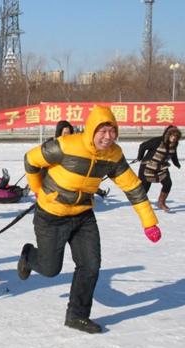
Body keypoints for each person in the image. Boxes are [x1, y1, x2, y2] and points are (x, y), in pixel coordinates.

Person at [18, 106, 161, 334]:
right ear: (92, 129)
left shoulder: (113, 155)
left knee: (90, 265)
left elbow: (132, 187)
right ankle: (28, 256)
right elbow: (31, 160)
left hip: (83, 216)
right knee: (50, 268)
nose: (108, 137)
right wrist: (37, 190)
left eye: (112, 131)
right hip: (51, 216)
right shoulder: (66, 145)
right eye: (102, 131)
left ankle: (77, 316)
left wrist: (149, 222)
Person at [136, 125, 182, 213]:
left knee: (168, 183)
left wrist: (176, 163)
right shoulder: (157, 141)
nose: (174, 138)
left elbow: (173, 154)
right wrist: (140, 157)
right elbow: (143, 146)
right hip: (148, 166)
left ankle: (161, 202)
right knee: (145, 188)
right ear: (168, 135)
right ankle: (140, 205)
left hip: (161, 167)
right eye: (172, 136)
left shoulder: (174, 144)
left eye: (176, 137)